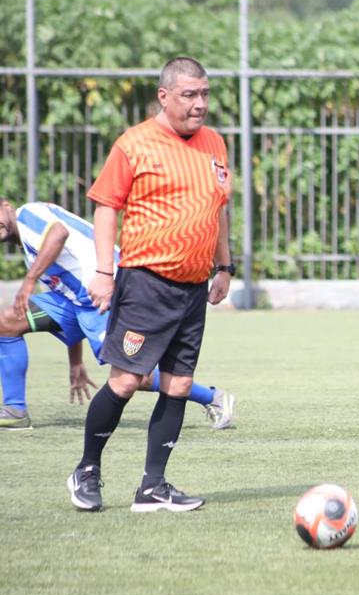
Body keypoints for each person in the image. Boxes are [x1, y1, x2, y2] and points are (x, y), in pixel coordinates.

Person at [66, 56, 234, 513]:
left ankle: (153, 487)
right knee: (126, 380)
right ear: (164, 96)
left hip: (193, 287)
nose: (200, 104)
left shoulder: (215, 143)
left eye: (205, 94)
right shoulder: (134, 144)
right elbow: (106, 206)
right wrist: (104, 272)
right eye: (189, 95)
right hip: (145, 282)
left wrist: (224, 266)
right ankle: (86, 469)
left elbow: (217, 209)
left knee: (179, 384)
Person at [0, 198, 235, 431]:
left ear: (6, 205)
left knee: (132, 374)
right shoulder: (31, 251)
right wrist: (76, 362)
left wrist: (29, 281)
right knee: (7, 323)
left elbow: (58, 234)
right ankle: (15, 410)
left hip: (110, 291)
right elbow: (68, 296)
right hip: (81, 302)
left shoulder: (28, 214)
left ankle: (212, 398)